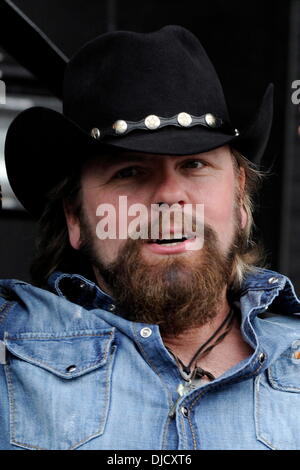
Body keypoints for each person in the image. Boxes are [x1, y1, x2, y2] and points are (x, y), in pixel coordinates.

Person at [0, 24, 299, 451]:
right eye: (129, 171)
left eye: (194, 165)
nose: (169, 195)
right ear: (76, 219)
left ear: (240, 199)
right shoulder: (10, 346)